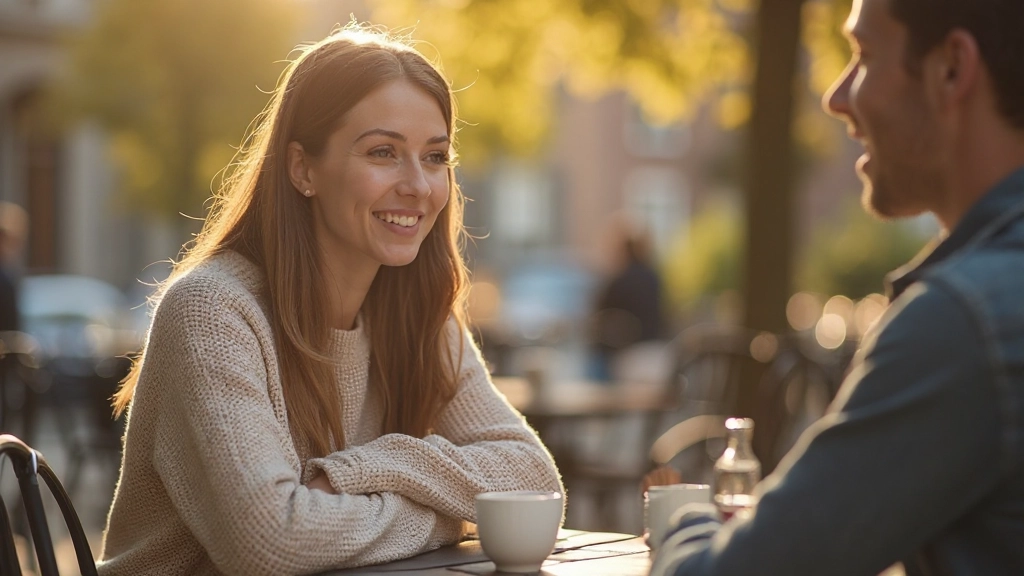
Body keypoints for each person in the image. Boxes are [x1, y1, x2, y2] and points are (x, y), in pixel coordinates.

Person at [98, 25, 563, 576]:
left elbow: (533, 481)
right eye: (384, 152)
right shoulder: (211, 312)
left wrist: (366, 470)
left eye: (435, 157)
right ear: (303, 169)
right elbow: (271, 542)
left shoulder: (419, 316)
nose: (418, 185)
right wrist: (453, 514)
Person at [649, 0, 1024, 574]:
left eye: (864, 55)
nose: (836, 97)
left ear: (951, 69)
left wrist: (685, 523)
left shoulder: (963, 322)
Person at [588, 227, 665, 381]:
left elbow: (599, 320)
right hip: (657, 353)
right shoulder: (653, 278)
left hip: (628, 357)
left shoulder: (618, 281)